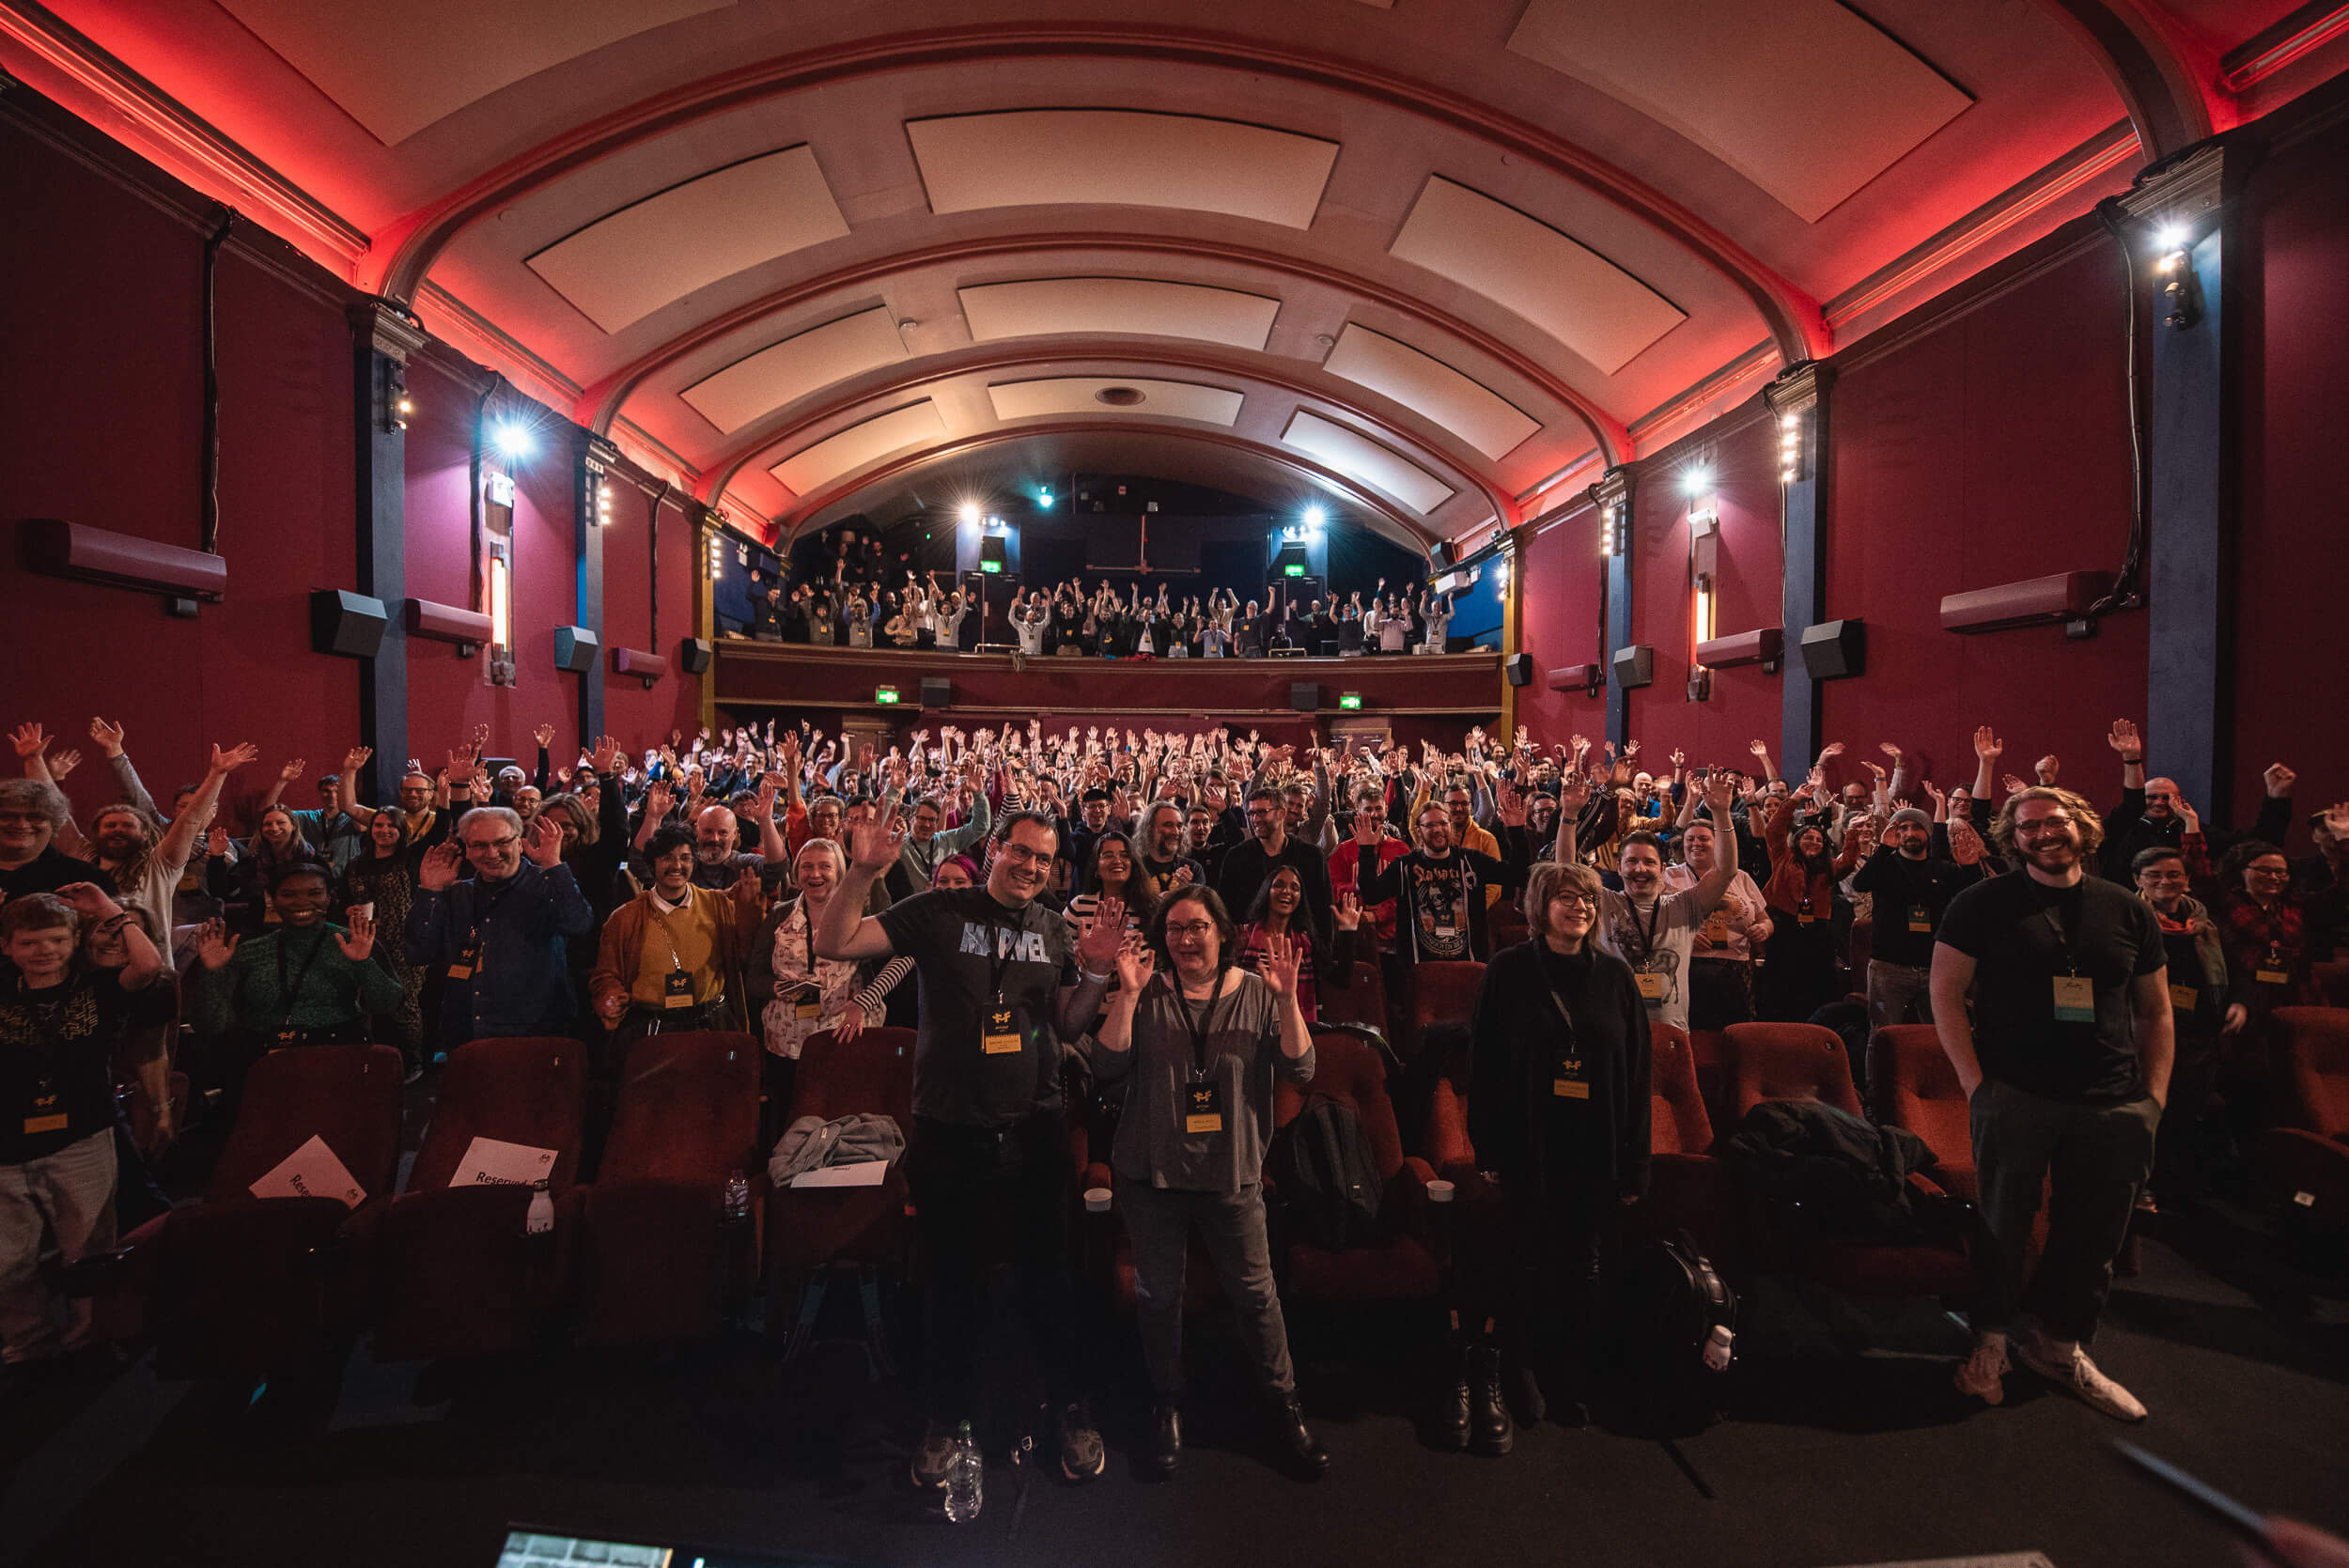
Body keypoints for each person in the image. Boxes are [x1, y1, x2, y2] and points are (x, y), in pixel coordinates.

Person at [814, 808, 1123, 1487]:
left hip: (1038, 1126)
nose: (1032, 867)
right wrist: (863, 870)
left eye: (1044, 859)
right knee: (952, 1284)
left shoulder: (1049, 926)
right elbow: (834, 941)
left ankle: (1068, 1406)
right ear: (993, 850)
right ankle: (947, 1417)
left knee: (1051, 1280)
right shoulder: (938, 910)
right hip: (952, 1131)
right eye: (1021, 852)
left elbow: (1064, 1020)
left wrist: (1097, 975)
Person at [1932, 786, 2171, 1421]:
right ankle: (1988, 1342)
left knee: (2094, 1233)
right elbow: (1945, 992)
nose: (2043, 832)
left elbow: (2155, 1009)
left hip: (2114, 1100)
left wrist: (2153, 1098)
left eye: (2055, 820)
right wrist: (1973, 1082)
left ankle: (2059, 1345)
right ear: (2015, 835)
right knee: (2003, 1224)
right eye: (2029, 824)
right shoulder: (1980, 904)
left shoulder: (2126, 908)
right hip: (2015, 1092)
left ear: (2082, 827)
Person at [1089, 887, 1327, 1480]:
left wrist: (1289, 1003)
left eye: (1197, 927)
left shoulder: (1256, 991)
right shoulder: (1146, 990)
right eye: (1173, 929)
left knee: (1255, 1295)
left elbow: (1301, 1069)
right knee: (1159, 1297)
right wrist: (1125, 997)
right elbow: (1106, 1069)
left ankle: (1284, 1404)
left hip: (1232, 1171)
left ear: (1222, 931)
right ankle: (1166, 1402)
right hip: (1151, 1172)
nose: (1185, 939)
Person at [1462, 859, 1650, 1448]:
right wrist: (1486, 1143)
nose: (1581, 909)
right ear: (1540, 906)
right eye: (1568, 898)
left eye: (1589, 900)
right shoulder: (1509, 971)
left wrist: (1635, 1160)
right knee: (1525, 1261)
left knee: (1584, 1268)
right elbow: (1485, 1064)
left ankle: (1571, 1373)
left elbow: (1638, 1074)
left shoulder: (1616, 979)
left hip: (1596, 1143)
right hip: (1530, 1142)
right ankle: (1520, 1370)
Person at [0, 885, 170, 1377]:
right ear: (8, 947)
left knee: (90, 1246)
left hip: (82, 1135)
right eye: (29, 943)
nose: (44, 952)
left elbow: (148, 966)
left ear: (74, 941)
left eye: (55, 940)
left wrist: (112, 911)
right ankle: (25, 1347)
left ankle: (89, 1339)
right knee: (10, 1257)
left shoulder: (96, 986)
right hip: (8, 1142)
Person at [749, 835, 911, 1144]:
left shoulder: (862, 911)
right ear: (796, 873)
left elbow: (900, 958)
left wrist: (865, 1001)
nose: (815, 874)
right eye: (806, 867)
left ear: (839, 871)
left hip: (844, 1036)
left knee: (843, 1117)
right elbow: (753, 977)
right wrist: (776, 988)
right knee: (790, 1120)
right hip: (788, 1043)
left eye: (825, 866)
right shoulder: (780, 915)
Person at [1552, 774, 1740, 1032]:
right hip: (1612, 1028)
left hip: (1669, 1031)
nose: (1640, 869)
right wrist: (1570, 815)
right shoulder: (1604, 902)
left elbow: (1726, 871)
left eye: (1649, 862)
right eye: (1631, 862)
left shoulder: (1685, 906)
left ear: (1663, 868)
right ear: (1619, 868)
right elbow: (1566, 870)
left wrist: (1721, 813)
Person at [405, 808, 596, 1044]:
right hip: (467, 1030)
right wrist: (430, 891)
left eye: (502, 842)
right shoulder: (458, 893)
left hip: (534, 1032)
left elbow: (579, 924)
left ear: (520, 843)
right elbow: (418, 952)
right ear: (467, 849)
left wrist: (553, 864)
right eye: (480, 845)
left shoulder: (547, 884)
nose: (492, 853)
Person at [189, 865, 404, 1054]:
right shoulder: (250, 950)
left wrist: (363, 963)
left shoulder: (354, 941)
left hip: (338, 1052)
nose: (301, 902)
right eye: (289, 894)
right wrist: (213, 973)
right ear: (272, 899)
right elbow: (211, 1025)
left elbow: (387, 1005)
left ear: (328, 898)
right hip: (264, 1055)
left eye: (314, 893)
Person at [588, 822, 764, 1044]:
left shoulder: (717, 905)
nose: (677, 866)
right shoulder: (624, 918)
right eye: (667, 858)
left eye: (685, 858)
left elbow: (745, 955)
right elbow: (605, 976)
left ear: (694, 862)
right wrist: (609, 996)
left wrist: (749, 910)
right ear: (652, 864)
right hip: (649, 1029)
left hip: (711, 1024)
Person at [2130, 846, 2236, 1210]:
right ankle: (2141, 1184)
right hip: (2143, 1031)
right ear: (2138, 880)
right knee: (2147, 1111)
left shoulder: (2206, 925)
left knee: (2185, 1113)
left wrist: (2238, 1003)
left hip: (2197, 1034)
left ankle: (2178, 1188)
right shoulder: (2129, 920)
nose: (2165, 881)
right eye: (2154, 875)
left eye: (2174, 874)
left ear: (2187, 880)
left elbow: (2232, 969)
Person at [1357, 786, 1530, 965]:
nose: (1437, 829)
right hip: (1418, 968)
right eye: (1430, 825)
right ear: (1418, 830)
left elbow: (1518, 876)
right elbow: (1371, 894)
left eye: (1442, 823)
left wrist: (1516, 831)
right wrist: (1367, 851)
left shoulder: (1471, 861)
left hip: (1468, 965)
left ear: (1450, 825)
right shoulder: (1405, 865)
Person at [1851, 805, 1982, 1030]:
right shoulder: (1884, 864)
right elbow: (1860, 883)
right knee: (1882, 1033)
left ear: (1928, 833)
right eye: (1903, 828)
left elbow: (1973, 905)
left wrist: (1970, 869)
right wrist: (1883, 848)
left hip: (1935, 967)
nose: (1910, 833)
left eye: (1917, 828)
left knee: (1941, 1036)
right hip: (1888, 969)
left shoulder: (1945, 869)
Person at [337, 805, 426, 1077]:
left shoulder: (411, 860)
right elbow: (340, 900)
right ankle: (372, 1059)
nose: (384, 831)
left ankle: (413, 1062)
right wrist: (346, 910)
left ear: (402, 831)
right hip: (367, 944)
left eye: (391, 826)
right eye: (379, 825)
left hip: (405, 944)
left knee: (405, 1004)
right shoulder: (355, 865)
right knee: (367, 1003)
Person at [1662, 812, 1771, 1029]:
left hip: (1736, 965)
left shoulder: (1741, 877)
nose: (1696, 844)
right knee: (1689, 1028)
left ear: (1718, 843)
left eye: (1704, 838)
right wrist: (1686, 938)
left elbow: (1765, 919)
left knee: (1734, 1029)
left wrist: (1763, 929)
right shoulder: (1668, 877)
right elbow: (1653, 922)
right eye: (1690, 839)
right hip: (1685, 965)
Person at [1237, 872, 1358, 1025]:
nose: (1287, 891)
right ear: (1267, 891)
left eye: (1294, 888)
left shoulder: (1306, 942)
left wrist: (1348, 931)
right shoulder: (1242, 936)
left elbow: (1342, 980)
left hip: (1296, 1027)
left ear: (1300, 898)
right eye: (1278, 885)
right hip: (1250, 1025)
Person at [1215, 785, 1333, 936]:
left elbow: (1323, 912)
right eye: (1251, 813)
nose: (1255, 819)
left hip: (1300, 948)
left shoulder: (1311, 857)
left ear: (1281, 813)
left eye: (1262, 812)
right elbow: (1224, 910)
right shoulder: (1236, 857)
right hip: (1249, 949)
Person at [0, 779, 113, 903]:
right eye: (8, 816)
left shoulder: (88, 879)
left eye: (36, 817)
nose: (21, 825)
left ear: (54, 823)